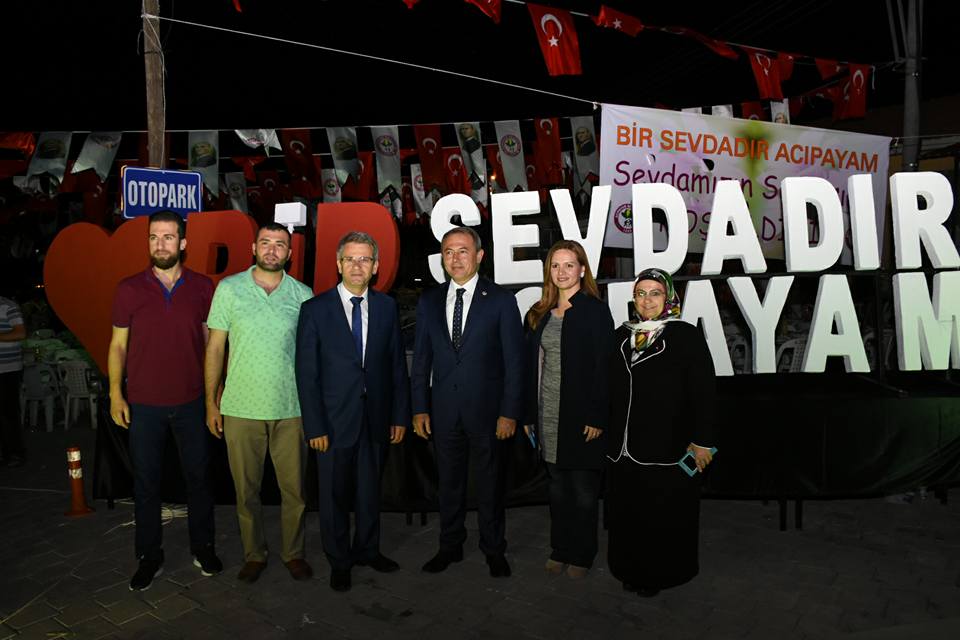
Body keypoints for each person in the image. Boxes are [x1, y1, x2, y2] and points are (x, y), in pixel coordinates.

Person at [108, 210, 220, 591]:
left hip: (192, 401)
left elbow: (211, 344)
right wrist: (115, 393)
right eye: (154, 237)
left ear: (183, 243)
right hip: (144, 405)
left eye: (168, 237)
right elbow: (117, 346)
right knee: (146, 485)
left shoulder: (203, 287)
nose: (160, 244)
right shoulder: (128, 289)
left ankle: (203, 547)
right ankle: (149, 557)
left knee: (199, 480)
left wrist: (214, 396)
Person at [295, 231, 410, 593]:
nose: (357, 266)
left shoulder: (387, 307)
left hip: (375, 419)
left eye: (365, 259)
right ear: (338, 263)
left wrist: (399, 416)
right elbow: (307, 374)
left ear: (375, 267)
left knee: (369, 492)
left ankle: (368, 550)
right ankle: (339, 560)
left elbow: (395, 366)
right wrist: (314, 425)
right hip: (331, 423)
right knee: (333, 497)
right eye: (350, 259)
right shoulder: (315, 310)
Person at [411, 226, 524, 578]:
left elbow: (514, 363)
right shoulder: (429, 301)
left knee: (489, 485)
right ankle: (450, 546)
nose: (455, 258)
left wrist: (509, 412)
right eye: (448, 252)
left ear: (479, 256)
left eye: (463, 251)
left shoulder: (501, 300)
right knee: (448, 484)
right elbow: (421, 361)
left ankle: (493, 548)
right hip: (444, 411)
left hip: (489, 414)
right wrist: (419, 407)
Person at [205, 222, 314, 584]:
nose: (272, 249)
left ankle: (293, 553)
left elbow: (311, 354)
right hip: (240, 407)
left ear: (290, 253)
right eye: (265, 242)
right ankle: (254, 554)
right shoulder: (229, 289)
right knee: (245, 491)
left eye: (280, 244)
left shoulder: (303, 294)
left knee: (294, 491)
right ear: (253, 248)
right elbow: (215, 348)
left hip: (291, 409)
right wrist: (211, 402)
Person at [606, 268, 716, 597]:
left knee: (663, 515)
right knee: (629, 515)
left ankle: (661, 574)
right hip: (624, 449)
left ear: (668, 297)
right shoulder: (621, 336)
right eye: (641, 293)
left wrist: (703, 441)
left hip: (668, 447)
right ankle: (629, 570)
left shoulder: (684, 336)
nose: (647, 300)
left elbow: (704, 392)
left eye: (655, 293)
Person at [523, 241, 613, 579]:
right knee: (558, 490)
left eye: (569, 265)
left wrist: (597, 415)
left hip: (582, 416)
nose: (561, 272)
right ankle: (560, 548)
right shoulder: (539, 312)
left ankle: (582, 554)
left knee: (584, 493)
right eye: (555, 265)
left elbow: (605, 367)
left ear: (582, 269)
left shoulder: (595, 311)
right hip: (548, 413)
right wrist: (529, 414)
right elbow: (530, 368)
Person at [0, 291, 26, 467]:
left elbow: (20, 333)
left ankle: (15, 454)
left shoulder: (7, 306)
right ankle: (5, 453)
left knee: (8, 413)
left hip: (8, 369)